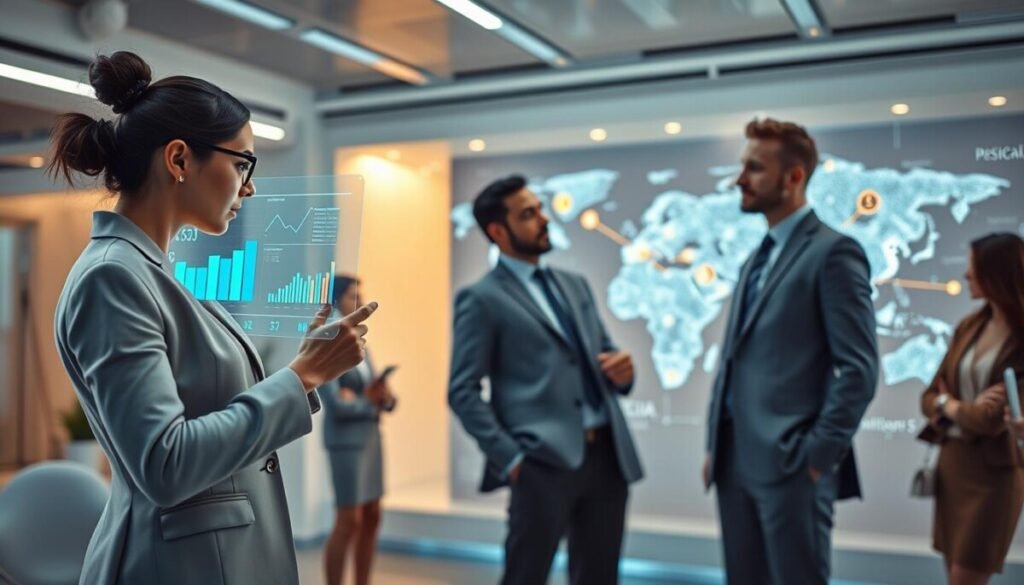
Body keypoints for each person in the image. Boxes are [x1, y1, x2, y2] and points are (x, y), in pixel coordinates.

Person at [50, 51, 377, 585]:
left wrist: (305, 367)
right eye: (243, 163)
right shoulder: (113, 278)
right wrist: (302, 378)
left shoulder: (150, 270)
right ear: (179, 160)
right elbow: (165, 463)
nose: (248, 188)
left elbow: (206, 409)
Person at [702, 118, 879, 585]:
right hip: (734, 463)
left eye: (754, 169)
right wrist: (714, 444)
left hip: (792, 466)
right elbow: (736, 362)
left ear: (794, 177)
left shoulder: (833, 253)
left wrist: (817, 456)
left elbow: (858, 369)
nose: (740, 179)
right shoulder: (758, 256)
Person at [448, 175, 644, 585]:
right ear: (498, 232)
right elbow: (462, 391)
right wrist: (513, 459)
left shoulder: (575, 285)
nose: (543, 220)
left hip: (607, 458)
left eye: (540, 210)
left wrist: (623, 372)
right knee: (525, 576)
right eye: (528, 214)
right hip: (541, 466)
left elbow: (605, 355)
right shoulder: (482, 298)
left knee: (599, 576)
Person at [919, 233, 1024, 585]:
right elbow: (929, 396)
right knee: (953, 574)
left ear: (997, 272)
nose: (966, 276)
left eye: (973, 268)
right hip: (954, 466)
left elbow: (991, 421)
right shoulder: (970, 326)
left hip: (994, 476)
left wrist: (949, 405)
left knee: (966, 578)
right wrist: (952, 404)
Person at [319, 275, 396, 585]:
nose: (361, 299)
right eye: (353, 294)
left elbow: (367, 392)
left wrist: (383, 398)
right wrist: (367, 400)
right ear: (336, 301)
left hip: (370, 439)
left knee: (373, 516)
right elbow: (336, 404)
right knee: (348, 521)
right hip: (346, 444)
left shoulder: (359, 342)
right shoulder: (327, 342)